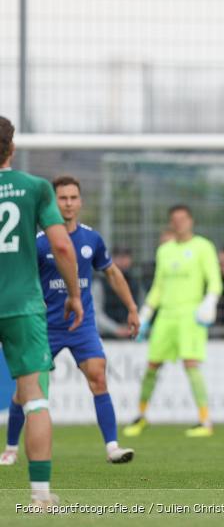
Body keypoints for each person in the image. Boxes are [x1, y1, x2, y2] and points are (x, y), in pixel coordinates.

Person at [2, 175, 139, 466]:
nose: (68, 203)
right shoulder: (38, 243)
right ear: (53, 201)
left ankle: (113, 446)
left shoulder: (92, 239)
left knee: (98, 376)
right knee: (25, 391)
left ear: (81, 201)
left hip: (82, 324)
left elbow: (112, 273)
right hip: (44, 325)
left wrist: (131, 308)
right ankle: (11, 447)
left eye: (73, 197)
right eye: (62, 198)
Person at [0, 117, 83, 507]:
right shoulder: (34, 189)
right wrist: (74, 295)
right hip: (22, 306)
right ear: (11, 149)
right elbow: (63, 248)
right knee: (33, 397)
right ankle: (40, 495)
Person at [123, 205, 222, 437]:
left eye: (182, 219)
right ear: (171, 223)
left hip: (190, 315)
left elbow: (215, 281)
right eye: (174, 220)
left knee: (191, 364)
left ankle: (205, 421)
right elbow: (158, 286)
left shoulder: (203, 247)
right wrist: (146, 313)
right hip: (166, 316)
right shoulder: (164, 250)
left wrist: (210, 302)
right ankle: (141, 415)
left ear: (191, 221)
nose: (178, 223)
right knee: (151, 366)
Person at [94, 247, 142, 339]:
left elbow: (141, 309)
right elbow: (96, 314)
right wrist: (116, 329)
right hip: (105, 336)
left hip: (131, 335)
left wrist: (132, 328)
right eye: (119, 257)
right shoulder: (100, 284)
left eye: (125, 257)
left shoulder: (136, 284)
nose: (122, 261)